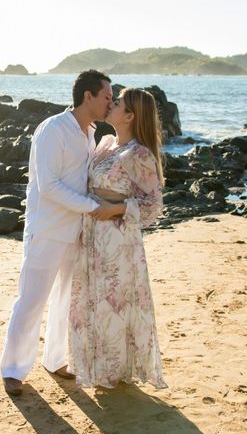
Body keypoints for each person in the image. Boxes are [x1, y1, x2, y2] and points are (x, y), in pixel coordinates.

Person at [0, 70, 122, 396]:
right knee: (31, 300)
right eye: (107, 96)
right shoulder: (54, 129)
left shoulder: (91, 133)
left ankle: (55, 360)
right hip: (47, 228)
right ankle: (13, 369)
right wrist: (91, 206)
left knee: (65, 300)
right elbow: (48, 184)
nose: (111, 102)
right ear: (88, 97)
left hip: (76, 231)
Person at [68, 87, 168, 389]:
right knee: (92, 299)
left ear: (130, 115)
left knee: (113, 302)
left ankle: (114, 370)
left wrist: (116, 208)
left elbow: (154, 206)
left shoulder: (139, 153)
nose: (111, 104)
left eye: (118, 102)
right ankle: (94, 365)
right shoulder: (107, 142)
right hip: (90, 233)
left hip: (116, 237)